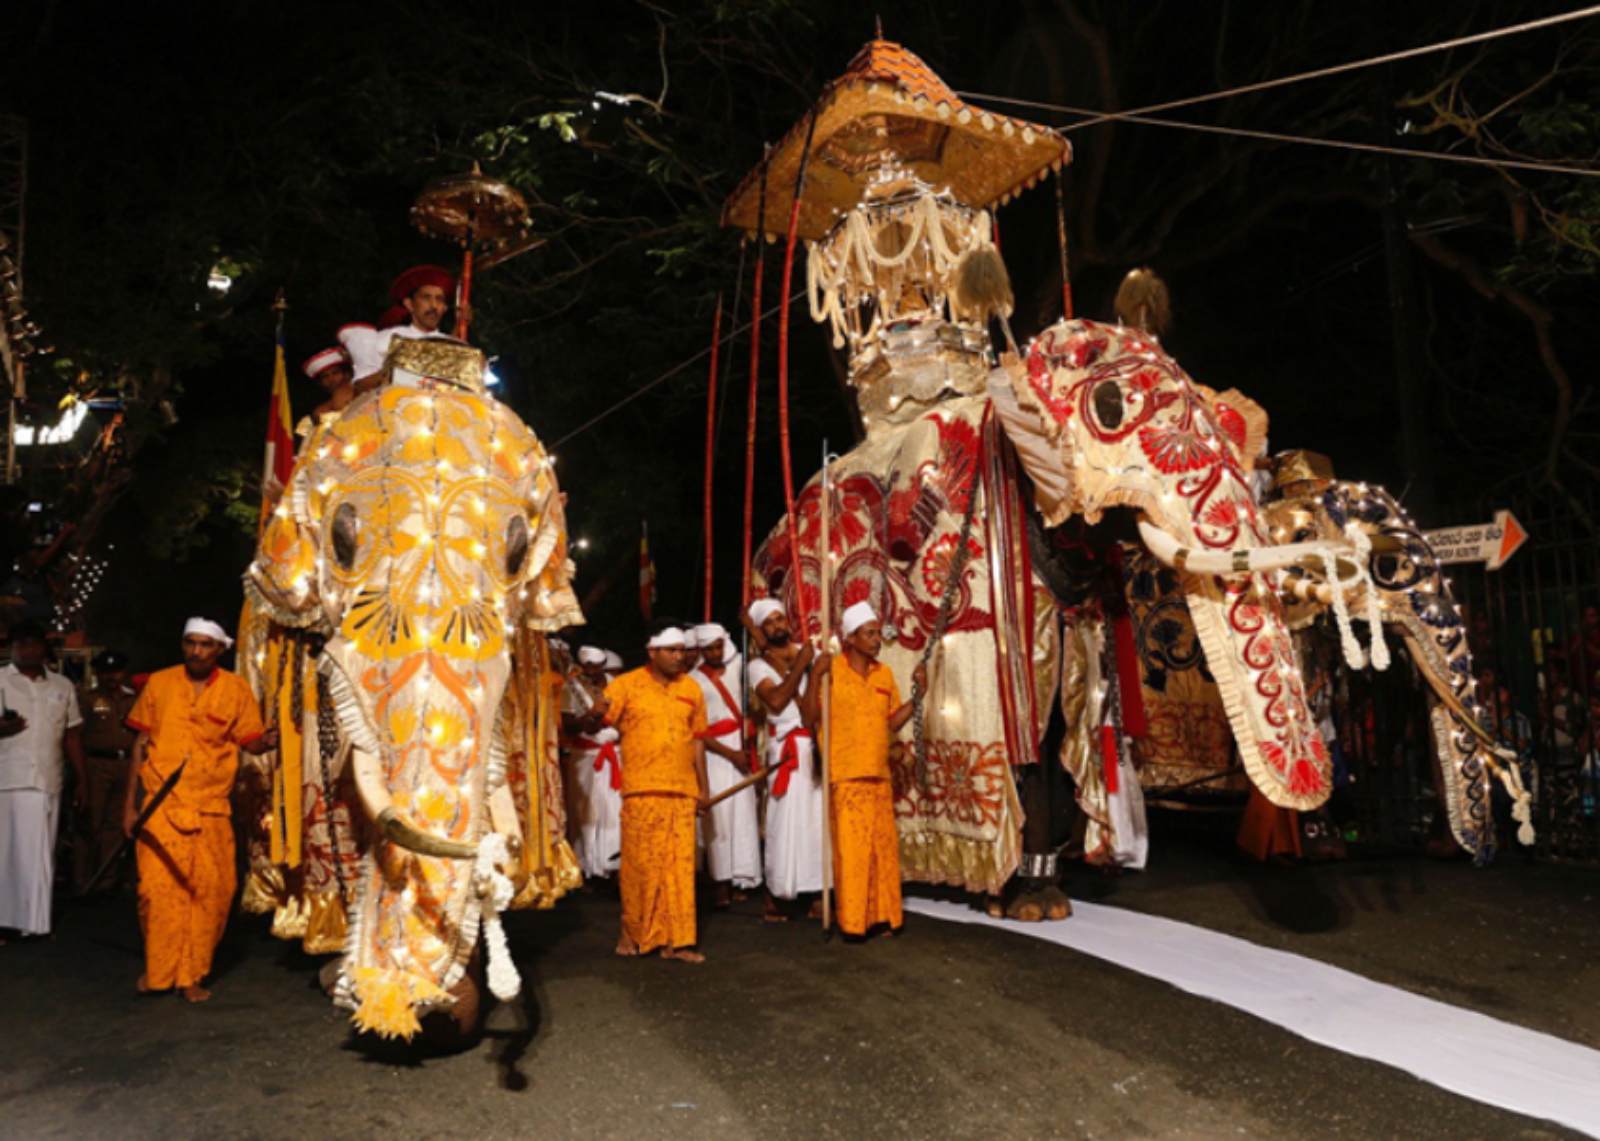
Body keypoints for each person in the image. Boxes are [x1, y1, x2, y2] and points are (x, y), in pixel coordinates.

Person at [122, 618, 278, 1001]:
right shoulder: (159, 684)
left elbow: (250, 742)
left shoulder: (236, 690)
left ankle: (192, 974)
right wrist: (130, 806)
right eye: (190, 643)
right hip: (161, 807)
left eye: (205, 645)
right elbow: (140, 747)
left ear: (219, 650)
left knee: (211, 893)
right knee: (156, 894)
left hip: (210, 809)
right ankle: (159, 972)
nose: (196, 651)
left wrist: (271, 742)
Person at [586, 625, 710, 962]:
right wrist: (593, 716)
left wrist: (703, 789)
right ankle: (635, 934)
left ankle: (679, 942)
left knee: (680, 869)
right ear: (651, 651)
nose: (678, 656)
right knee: (641, 866)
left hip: (681, 790)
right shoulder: (625, 684)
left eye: (681, 650)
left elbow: (698, 740)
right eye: (670, 650)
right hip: (642, 789)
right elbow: (595, 723)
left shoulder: (692, 688)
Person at [804, 602, 920, 938]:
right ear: (850, 638)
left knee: (881, 851)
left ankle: (884, 917)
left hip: (878, 774)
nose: (876, 640)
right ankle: (855, 923)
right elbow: (808, 717)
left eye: (876, 633)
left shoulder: (884, 674)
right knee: (853, 853)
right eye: (869, 634)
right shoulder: (830, 670)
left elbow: (892, 722)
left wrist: (918, 696)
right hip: (845, 773)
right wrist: (814, 675)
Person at [0, 622, 85, 941]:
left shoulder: (62, 685)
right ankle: (5, 921)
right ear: (13, 647)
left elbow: (72, 735)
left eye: (34, 645)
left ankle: (34, 922)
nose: (29, 651)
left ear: (44, 649)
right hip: (8, 778)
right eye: (22, 645)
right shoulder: (1, 681)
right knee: (5, 854)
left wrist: (82, 781)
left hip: (47, 778)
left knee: (40, 854)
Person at [746, 598, 823, 921]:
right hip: (786, 751)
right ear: (762, 629)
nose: (778, 626)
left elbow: (811, 713)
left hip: (814, 746)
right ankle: (777, 895)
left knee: (815, 824)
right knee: (784, 824)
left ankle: (815, 891)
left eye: (781, 619)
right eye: (770, 622)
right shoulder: (758, 666)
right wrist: (801, 666)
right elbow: (776, 701)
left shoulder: (810, 654)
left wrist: (814, 669)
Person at [691, 622, 761, 907]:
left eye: (718, 646)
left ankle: (742, 876)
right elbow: (698, 730)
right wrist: (729, 753)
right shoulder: (693, 679)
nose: (715, 652)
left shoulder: (740, 666)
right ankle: (720, 882)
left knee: (743, 813)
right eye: (708, 648)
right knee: (718, 817)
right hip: (714, 751)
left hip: (740, 744)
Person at [72, 649, 139, 895]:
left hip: (125, 764)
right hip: (96, 765)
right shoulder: (87, 699)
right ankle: (82, 880)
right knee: (90, 822)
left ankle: (106, 880)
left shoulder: (132, 699)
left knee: (115, 825)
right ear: (98, 674)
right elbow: (76, 735)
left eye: (116, 671)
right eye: (106, 672)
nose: (112, 677)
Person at [561, 645, 622, 880]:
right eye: (588, 667)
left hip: (615, 754)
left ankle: (613, 866)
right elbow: (569, 726)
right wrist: (592, 716)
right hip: (587, 757)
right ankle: (587, 868)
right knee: (587, 812)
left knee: (614, 811)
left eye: (598, 667)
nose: (593, 672)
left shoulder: (616, 684)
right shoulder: (572, 687)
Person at [340, 266, 459, 382]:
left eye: (439, 299)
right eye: (426, 298)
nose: (434, 305)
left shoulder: (455, 345)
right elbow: (363, 385)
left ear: (444, 308)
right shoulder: (386, 339)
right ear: (409, 304)